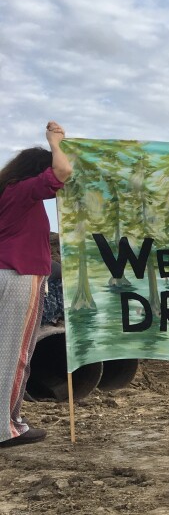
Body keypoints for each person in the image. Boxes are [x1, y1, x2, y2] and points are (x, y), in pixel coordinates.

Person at [0, 121, 72, 447]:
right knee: (15, 354)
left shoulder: (7, 193)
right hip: (20, 279)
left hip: (6, 274)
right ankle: (7, 428)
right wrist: (56, 142)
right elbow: (62, 172)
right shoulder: (24, 192)